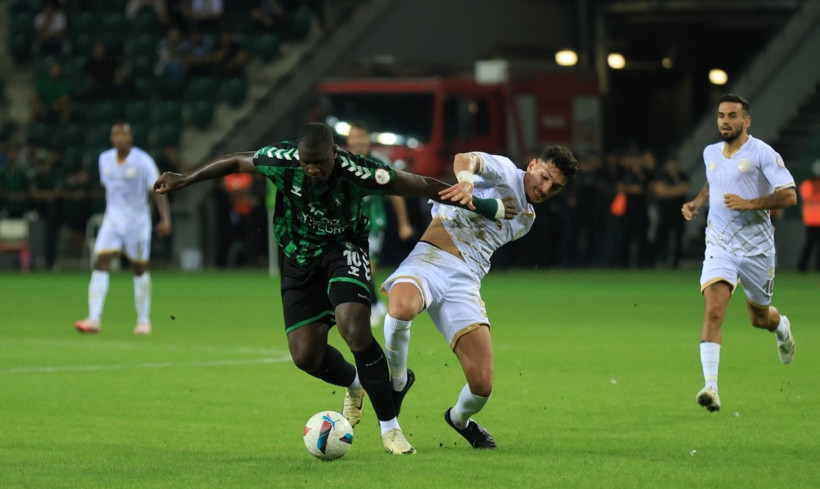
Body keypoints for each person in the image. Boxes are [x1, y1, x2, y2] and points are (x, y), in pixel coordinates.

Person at [152, 122, 516, 455]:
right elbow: (235, 162)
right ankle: (356, 382)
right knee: (305, 355)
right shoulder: (281, 160)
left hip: (344, 249)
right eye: (306, 162)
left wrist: (483, 205)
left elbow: (417, 184)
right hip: (297, 258)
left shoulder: (357, 170)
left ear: (333, 154)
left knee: (354, 327)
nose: (312, 169)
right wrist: (185, 178)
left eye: (319, 163)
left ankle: (391, 428)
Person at [381, 145, 577, 448]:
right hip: (430, 260)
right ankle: (397, 381)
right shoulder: (507, 171)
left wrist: (483, 204)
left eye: (556, 186)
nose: (546, 187)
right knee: (401, 308)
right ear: (533, 163)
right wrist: (467, 181)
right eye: (545, 176)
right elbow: (465, 159)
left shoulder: (527, 219)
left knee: (482, 386)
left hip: (465, 281)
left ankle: (459, 419)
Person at [682, 93, 797, 413]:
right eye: (721, 116)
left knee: (758, 318)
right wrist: (697, 202)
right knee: (714, 311)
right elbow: (713, 180)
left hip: (757, 250)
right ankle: (711, 387)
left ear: (746, 121)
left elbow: (789, 196)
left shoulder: (762, 153)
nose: (725, 121)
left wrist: (750, 203)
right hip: (719, 245)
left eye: (732, 116)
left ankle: (781, 326)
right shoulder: (710, 153)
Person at [74, 122, 172, 335]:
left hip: (137, 222)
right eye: (116, 135)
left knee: (138, 269)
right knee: (100, 262)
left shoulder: (143, 160)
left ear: (131, 138)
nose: (120, 138)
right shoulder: (104, 159)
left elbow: (157, 189)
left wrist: (165, 218)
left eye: (124, 134)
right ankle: (93, 318)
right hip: (113, 220)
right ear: (111, 139)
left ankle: (144, 320)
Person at [345, 122, 415, 327]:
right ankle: (374, 304)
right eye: (353, 137)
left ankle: (368, 308)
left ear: (367, 138)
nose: (357, 141)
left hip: (372, 223)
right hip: (349, 223)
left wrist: (404, 224)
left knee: (366, 266)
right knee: (354, 267)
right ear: (349, 140)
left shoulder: (378, 162)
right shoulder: (343, 160)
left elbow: (395, 192)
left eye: (360, 136)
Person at [651, 156, 690, 269]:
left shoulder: (683, 176)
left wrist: (668, 191)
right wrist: (674, 191)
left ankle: (676, 262)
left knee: (678, 237)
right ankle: (656, 260)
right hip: (665, 212)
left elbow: (683, 189)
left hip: (679, 212)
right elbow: (659, 191)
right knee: (661, 236)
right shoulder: (662, 176)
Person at [797, 160, 820, 272]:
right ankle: (803, 266)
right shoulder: (807, 184)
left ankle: (805, 266)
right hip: (811, 220)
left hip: (810, 220)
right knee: (810, 245)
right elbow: (806, 197)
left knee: (810, 245)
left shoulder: (806, 184)